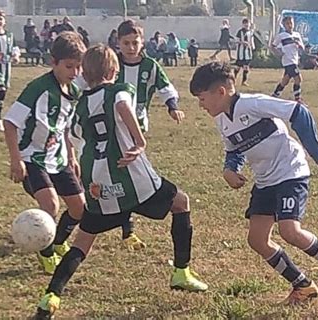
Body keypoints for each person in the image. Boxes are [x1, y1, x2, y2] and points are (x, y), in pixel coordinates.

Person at [35, 44, 208, 319]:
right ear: (114, 71)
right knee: (180, 202)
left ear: (85, 73)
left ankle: (51, 296)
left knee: (83, 242)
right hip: (130, 172)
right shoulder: (118, 91)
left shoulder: (79, 101)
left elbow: (70, 133)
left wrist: (71, 156)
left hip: (96, 178)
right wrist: (139, 141)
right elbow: (123, 107)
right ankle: (181, 272)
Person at [189, 61, 318, 305]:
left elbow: (298, 112)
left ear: (220, 92)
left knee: (289, 231)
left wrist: (316, 152)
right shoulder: (222, 119)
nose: (201, 106)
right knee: (257, 240)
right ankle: (302, 285)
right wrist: (229, 170)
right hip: (265, 181)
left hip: (290, 172)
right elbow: (234, 149)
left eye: (202, 99)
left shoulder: (252, 104)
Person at [3, 31, 87, 275]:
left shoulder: (73, 92)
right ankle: (46, 251)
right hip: (32, 159)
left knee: (80, 208)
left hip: (58, 160)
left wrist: (71, 156)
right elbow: (10, 123)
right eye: (69, 66)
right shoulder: (37, 89)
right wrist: (16, 160)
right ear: (54, 62)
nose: (75, 72)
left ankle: (58, 240)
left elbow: (65, 127)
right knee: (50, 204)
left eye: (78, 67)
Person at [116, 19, 184, 250]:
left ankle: (126, 227)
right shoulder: (112, 64)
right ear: (119, 43)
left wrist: (172, 106)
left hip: (137, 129)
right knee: (125, 176)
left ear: (142, 42)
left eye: (135, 42)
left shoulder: (150, 66)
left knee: (127, 175)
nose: (131, 47)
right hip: (113, 128)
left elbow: (166, 88)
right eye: (126, 43)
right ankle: (127, 229)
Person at [271, 16, 304, 101]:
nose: (290, 25)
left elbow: (302, 47)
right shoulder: (281, 36)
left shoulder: (297, 35)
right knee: (298, 78)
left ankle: (275, 95)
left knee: (285, 81)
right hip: (288, 61)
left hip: (295, 59)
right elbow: (273, 46)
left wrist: (300, 45)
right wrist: (278, 53)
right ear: (284, 25)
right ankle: (298, 99)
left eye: (291, 23)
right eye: (287, 23)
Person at [234, 18, 254, 86]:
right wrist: (243, 42)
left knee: (246, 67)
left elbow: (251, 41)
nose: (247, 25)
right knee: (237, 67)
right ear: (243, 24)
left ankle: (244, 81)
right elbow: (236, 40)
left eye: (248, 23)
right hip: (240, 53)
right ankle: (234, 79)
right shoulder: (240, 32)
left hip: (248, 53)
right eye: (245, 23)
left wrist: (252, 47)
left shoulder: (250, 32)